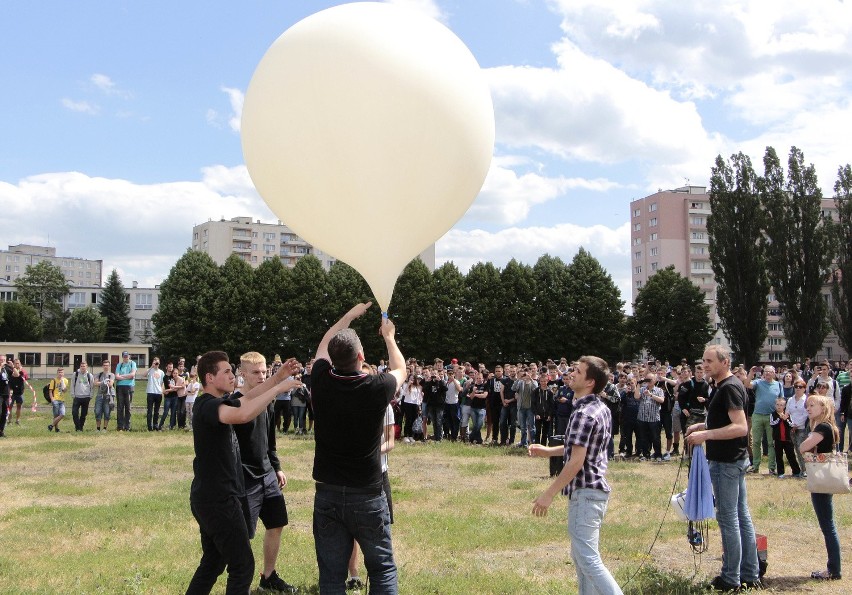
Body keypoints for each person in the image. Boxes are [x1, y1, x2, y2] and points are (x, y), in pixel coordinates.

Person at [186, 351, 301, 595]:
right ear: (209, 377)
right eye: (226, 371)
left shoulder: (218, 401)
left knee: (213, 562)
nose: (232, 375)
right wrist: (279, 390)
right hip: (218, 500)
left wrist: (277, 378)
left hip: (211, 497)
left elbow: (247, 398)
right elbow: (243, 413)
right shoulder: (208, 405)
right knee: (242, 566)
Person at [310, 302, 406, 594]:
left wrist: (349, 316)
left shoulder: (320, 379)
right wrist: (389, 337)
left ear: (332, 359)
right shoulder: (377, 387)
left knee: (330, 575)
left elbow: (324, 343)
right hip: (366, 492)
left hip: (327, 491)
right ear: (361, 357)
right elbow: (400, 368)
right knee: (381, 568)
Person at [528, 356, 622, 595]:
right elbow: (583, 447)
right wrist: (549, 450)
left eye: (578, 372)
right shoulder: (599, 408)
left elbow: (576, 462)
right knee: (582, 559)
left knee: (588, 560)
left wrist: (548, 494)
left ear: (590, 382)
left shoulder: (584, 414)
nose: (572, 374)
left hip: (585, 494)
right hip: (593, 493)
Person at [686, 346, 761, 591]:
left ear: (725, 362)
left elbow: (740, 427)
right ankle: (750, 573)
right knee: (741, 516)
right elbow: (723, 420)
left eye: (709, 361)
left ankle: (731, 578)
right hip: (732, 460)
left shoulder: (729, 387)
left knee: (729, 519)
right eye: (703, 361)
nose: (704, 365)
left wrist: (706, 434)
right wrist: (701, 425)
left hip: (727, 462)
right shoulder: (722, 386)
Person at [232, 352, 297, 593]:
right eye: (256, 372)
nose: (261, 376)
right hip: (245, 477)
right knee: (244, 534)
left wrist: (277, 467)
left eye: (264, 372)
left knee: (277, 522)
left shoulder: (267, 401)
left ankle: (268, 576)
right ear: (243, 374)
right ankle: (241, 582)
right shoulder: (236, 402)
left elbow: (270, 441)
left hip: (267, 475)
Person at [347, 361, 397, 591]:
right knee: (352, 529)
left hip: (379, 473)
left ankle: (378, 574)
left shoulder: (385, 407)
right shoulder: (348, 405)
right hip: (354, 476)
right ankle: (353, 573)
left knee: (381, 526)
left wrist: (372, 452)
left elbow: (390, 440)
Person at [799, 393, 843, 581]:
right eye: (807, 405)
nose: (808, 408)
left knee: (828, 525)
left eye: (812, 406)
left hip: (822, 479)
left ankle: (833, 570)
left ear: (823, 408)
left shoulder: (823, 427)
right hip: (824, 478)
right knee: (828, 524)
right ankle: (833, 568)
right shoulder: (825, 426)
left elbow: (802, 447)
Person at [744, 365, 783, 475]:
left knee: (771, 443)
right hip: (757, 415)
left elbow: (781, 400)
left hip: (772, 416)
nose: (767, 374)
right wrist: (751, 373)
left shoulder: (778, 385)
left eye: (770, 372)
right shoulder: (758, 382)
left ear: (774, 373)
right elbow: (746, 384)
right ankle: (755, 466)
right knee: (756, 442)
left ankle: (771, 467)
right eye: (765, 371)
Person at [769, 396, 801, 478]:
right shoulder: (772, 414)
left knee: (791, 455)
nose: (779, 406)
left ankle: (796, 472)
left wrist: (785, 419)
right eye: (777, 404)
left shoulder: (788, 415)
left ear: (784, 406)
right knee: (779, 456)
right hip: (777, 439)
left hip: (787, 439)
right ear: (775, 405)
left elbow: (792, 425)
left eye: (781, 405)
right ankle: (780, 473)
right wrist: (780, 419)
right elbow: (772, 424)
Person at [114, 351, 137, 431]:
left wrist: (121, 376)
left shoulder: (132, 363)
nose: (126, 357)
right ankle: (120, 426)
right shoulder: (119, 365)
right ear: (122, 357)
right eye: (124, 356)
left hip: (129, 386)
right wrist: (127, 376)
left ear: (129, 356)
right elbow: (116, 376)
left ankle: (127, 426)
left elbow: (132, 374)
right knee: (120, 407)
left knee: (128, 407)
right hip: (120, 387)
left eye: (127, 356)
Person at [71, 361, 95, 431]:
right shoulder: (75, 374)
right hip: (77, 397)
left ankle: (80, 428)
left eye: (84, 366)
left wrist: (91, 395)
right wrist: (73, 394)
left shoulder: (89, 375)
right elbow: (72, 385)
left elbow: (92, 386)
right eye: (81, 366)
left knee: (83, 414)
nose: (83, 368)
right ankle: (77, 427)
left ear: (87, 367)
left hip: (86, 397)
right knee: (74, 413)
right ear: (80, 367)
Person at [94, 360, 116, 432]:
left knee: (107, 412)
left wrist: (104, 383)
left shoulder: (111, 375)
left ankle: (104, 428)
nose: (106, 367)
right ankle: (98, 428)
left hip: (108, 396)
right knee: (97, 412)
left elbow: (110, 384)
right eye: (104, 365)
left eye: (107, 365)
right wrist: (104, 382)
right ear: (102, 366)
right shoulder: (99, 374)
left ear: (109, 366)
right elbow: (95, 383)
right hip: (100, 395)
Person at [145, 358, 165, 431]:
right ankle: (149, 427)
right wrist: (151, 367)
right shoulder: (150, 370)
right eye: (155, 363)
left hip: (158, 393)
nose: (156, 364)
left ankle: (155, 425)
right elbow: (144, 375)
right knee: (149, 410)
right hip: (150, 392)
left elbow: (162, 382)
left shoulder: (161, 372)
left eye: (157, 363)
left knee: (156, 411)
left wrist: (162, 391)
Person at [0, 355, 12, 438]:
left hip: (6, 394)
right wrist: (0, 366)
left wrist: (13, 366)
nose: (2, 361)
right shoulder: (1, 368)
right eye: (1, 360)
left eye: (4, 360)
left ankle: (1, 430)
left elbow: (16, 374)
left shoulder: (7, 369)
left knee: (4, 413)